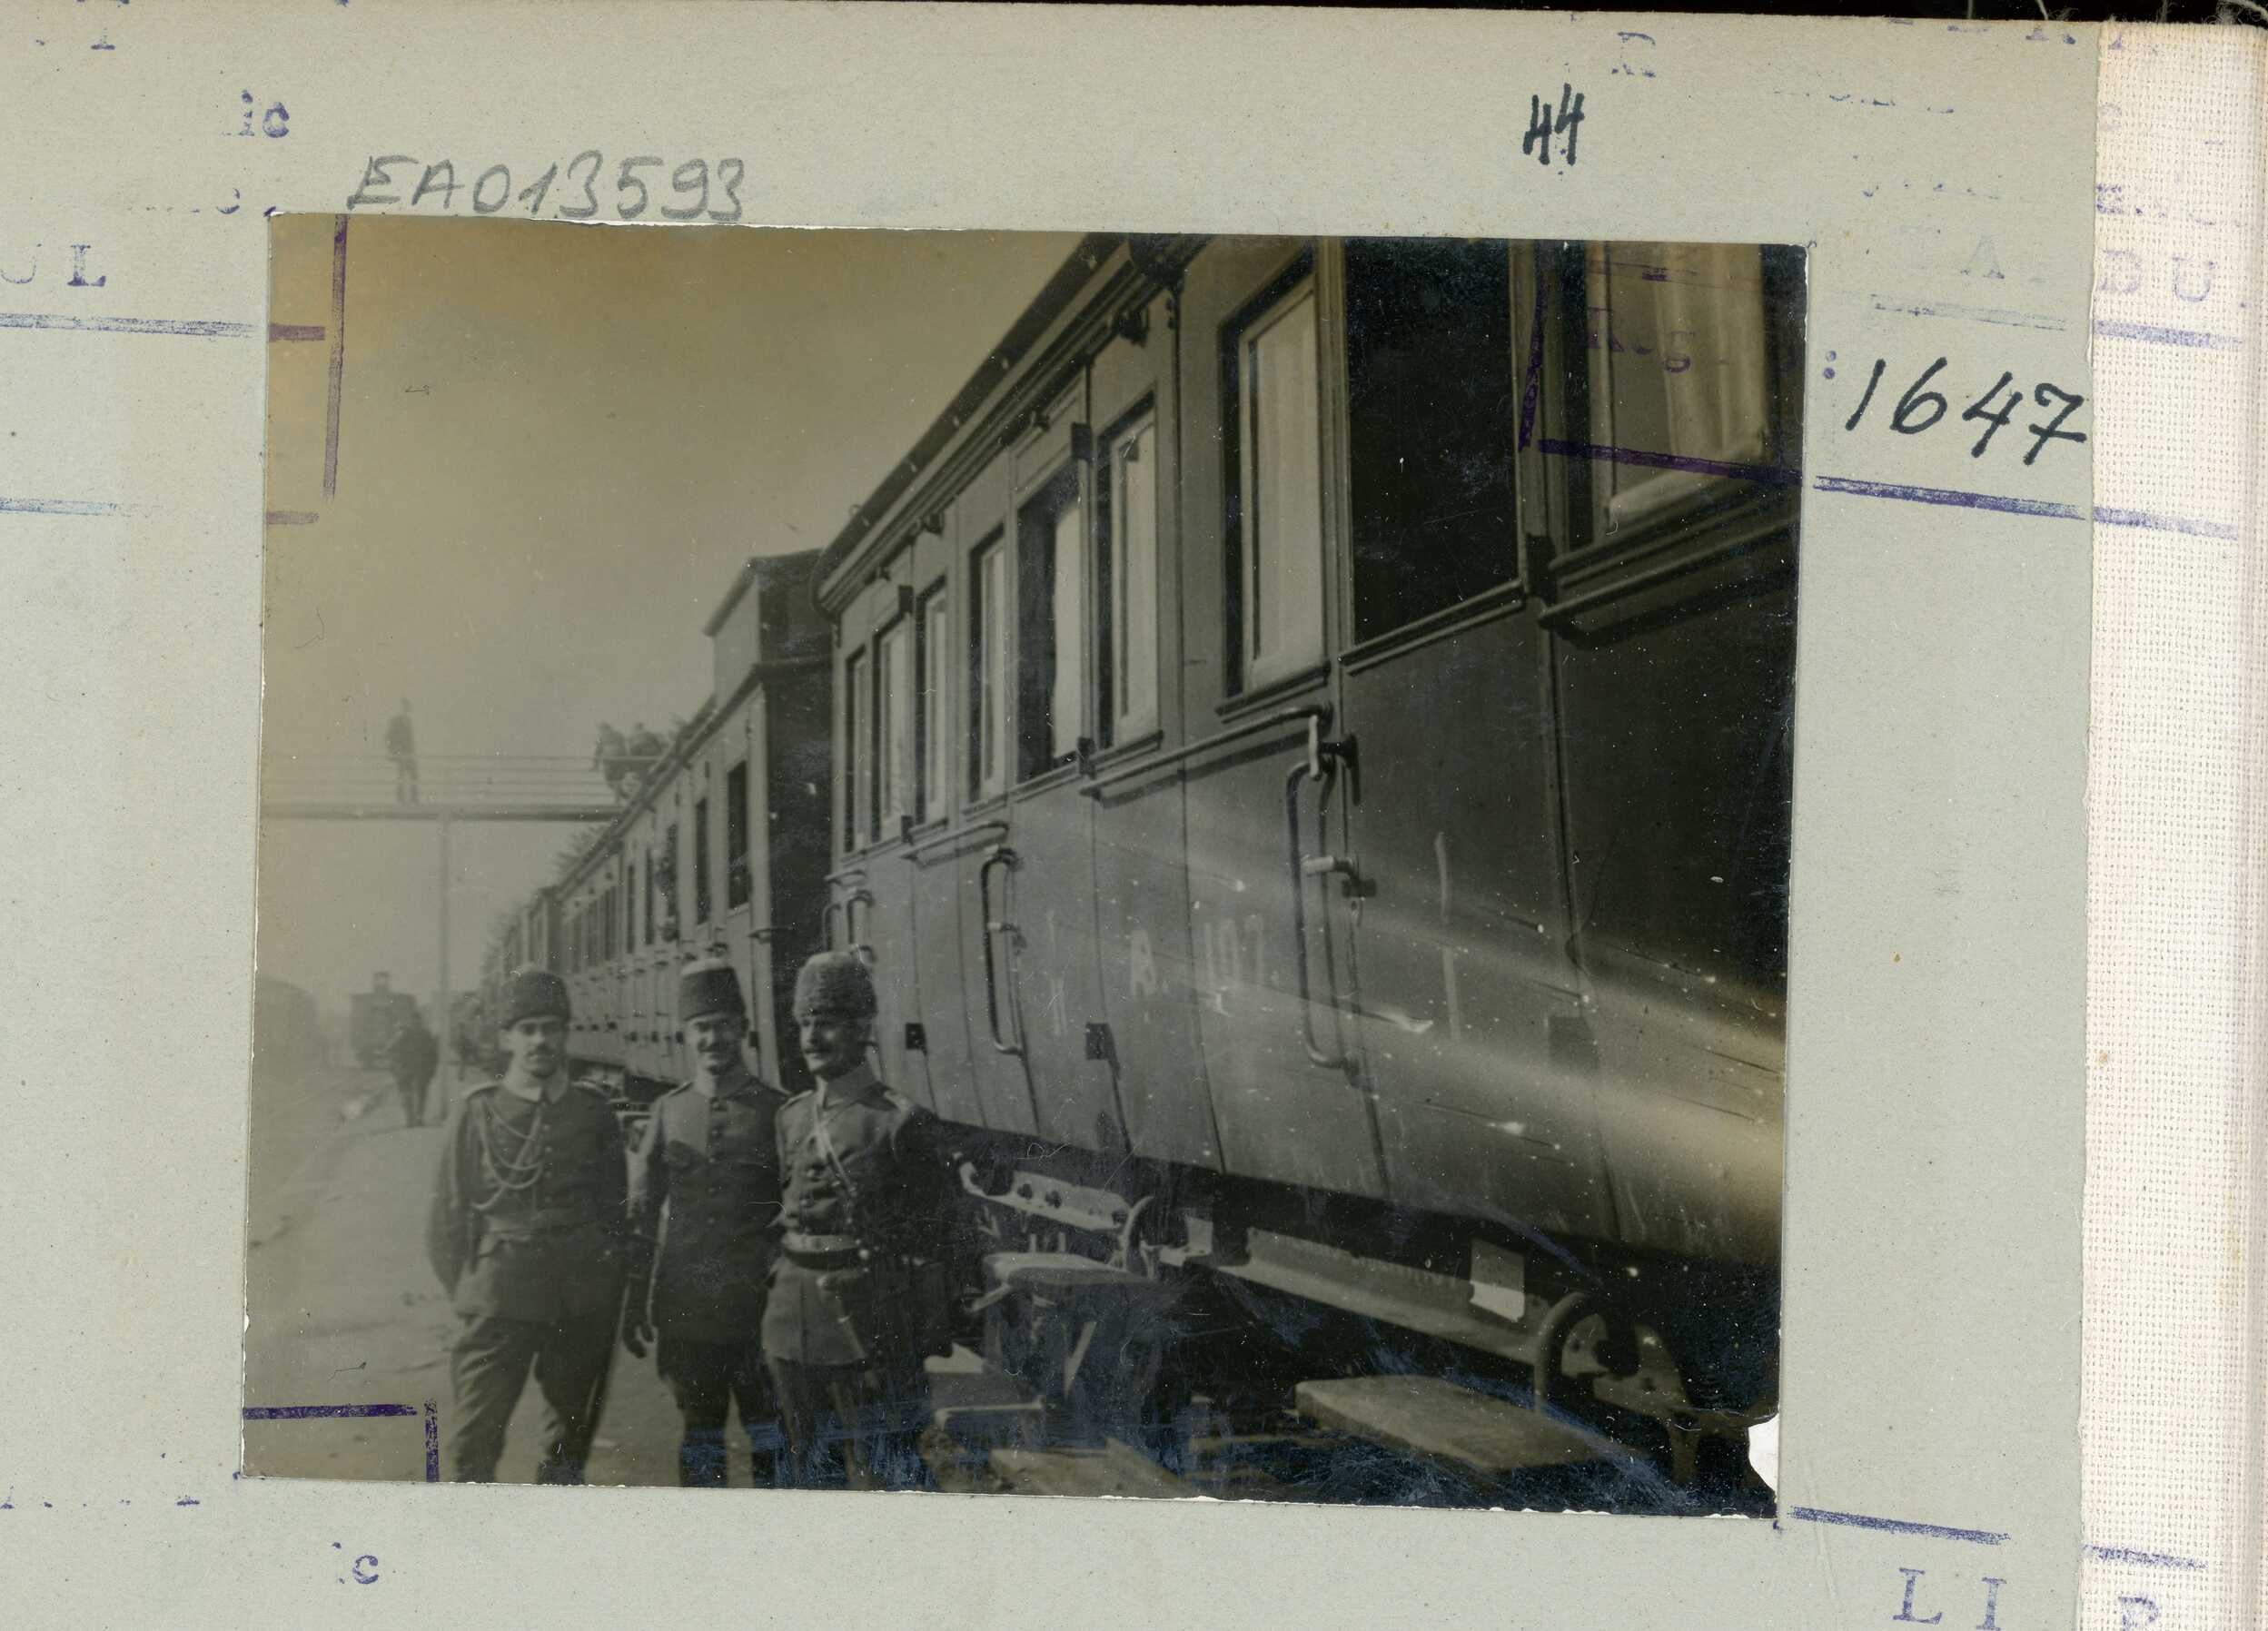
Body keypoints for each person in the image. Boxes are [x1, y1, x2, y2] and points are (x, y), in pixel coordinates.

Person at [762, 951, 961, 1489]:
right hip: (790, 1324)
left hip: (868, 1327)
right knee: (806, 1472)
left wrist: (913, 1337)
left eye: (827, 1023)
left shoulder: (899, 1123)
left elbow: (940, 1240)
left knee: (883, 1476)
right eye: (805, 1023)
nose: (812, 1037)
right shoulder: (791, 1117)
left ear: (862, 1028)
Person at [425, 967, 629, 1483]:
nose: (540, 1040)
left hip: (580, 1301)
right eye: (528, 1029)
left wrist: (603, 1285)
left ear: (565, 1034)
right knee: (473, 1443)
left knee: (567, 1448)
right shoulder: (478, 1111)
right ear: (507, 1039)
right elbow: (447, 1217)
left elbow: (614, 1212)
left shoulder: (593, 1111)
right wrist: (470, 1291)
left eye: (551, 1028)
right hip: (497, 1299)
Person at [622, 957, 787, 1487]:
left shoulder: (778, 1112)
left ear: (743, 1028)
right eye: (702, 1028)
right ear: (686, 1036)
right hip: (688, 1310)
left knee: (772, 1435)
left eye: (723, 1025)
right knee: (700, 1435)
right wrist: (635, 1300)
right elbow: (642, 1215)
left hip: (761, 1308)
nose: (713, 1038)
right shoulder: (668, 1112)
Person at [384, 1010, 441, 1129]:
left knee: (420, 1094)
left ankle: (418, 1118)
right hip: (407, 1069)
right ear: (411, 1022)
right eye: (414, 1022)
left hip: (421, 1069)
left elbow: (434, 1053)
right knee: (408, 1094)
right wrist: (396, 1065)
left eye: (418, 1022)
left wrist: (432, 1068)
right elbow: (390, 1049)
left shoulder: (425, 1035)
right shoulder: (404, 1034)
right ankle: (410, 1118)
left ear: (420, 1022)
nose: (416, 1024)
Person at [385, 699, 419, 805]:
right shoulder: (396, 721)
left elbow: (410, 740)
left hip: (409, 754)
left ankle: (413, 798)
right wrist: (395, 750)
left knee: (413, 774)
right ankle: (401, 798)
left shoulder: (408, 721)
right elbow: (389, 736)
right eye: (405, 707)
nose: (407, 710)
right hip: (401, 753)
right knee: (401, 775)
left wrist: (413, 753)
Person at [593, 723, 632, 800]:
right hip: (621, 760)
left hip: (610, 761)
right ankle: (626, 798)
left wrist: (595, 765)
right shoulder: (619, 734)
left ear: (603, 729)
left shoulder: (601, 737)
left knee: (610, 782)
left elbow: (597, 751)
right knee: (617, 781)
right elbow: (626, 747)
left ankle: (625, 798)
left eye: (600, 729)